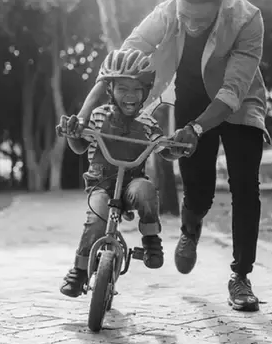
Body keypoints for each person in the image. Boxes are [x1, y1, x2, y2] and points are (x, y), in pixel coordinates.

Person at [63, 0, 269, 312]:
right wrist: (84, 115)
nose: (192, 25)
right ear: (177, 2)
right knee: (198, 189)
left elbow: (232, 90)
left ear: (219, 5)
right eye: (186, 16)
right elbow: (120, 63)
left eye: (202, 21)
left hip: (239, 103)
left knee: (245, 187)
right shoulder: (165, 14)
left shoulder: (247, 20)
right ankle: (190, 230)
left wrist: (197, 130)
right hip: (191, 99)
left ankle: (241, 277)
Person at [56, 48, 180, 298]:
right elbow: (80, 145)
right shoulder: (98, 115)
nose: (130, 96)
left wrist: (175, 147)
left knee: (145, 191)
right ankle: (79, 271)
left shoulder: (147, 122)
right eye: (123, 88)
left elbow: (164, 148)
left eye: (137, 89)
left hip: (131, 184)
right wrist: (73, 134)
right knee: (96, 219)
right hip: (101, 185)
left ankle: (151, 241)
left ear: (146, 91)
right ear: (110, 90)